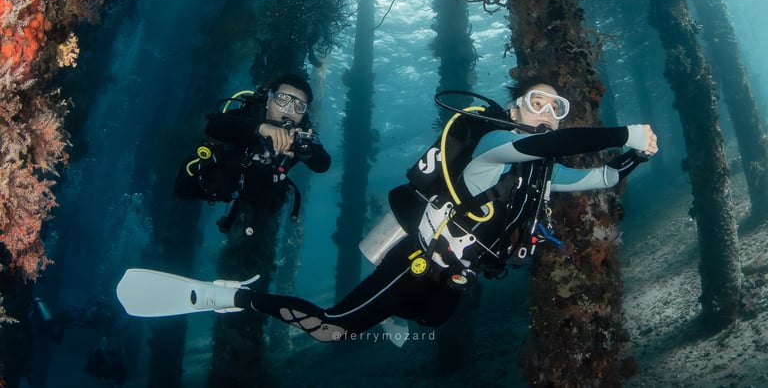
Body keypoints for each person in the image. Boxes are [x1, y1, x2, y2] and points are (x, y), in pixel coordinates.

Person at [221, 75, 658, 340]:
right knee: (333, 329)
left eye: (556, 107)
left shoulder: (539, 172)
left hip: (454, 278)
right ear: (514, 111)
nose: (547, 111)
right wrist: (626, 135)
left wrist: (633, 159)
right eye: (536, 103)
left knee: (432, 320)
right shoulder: (496, 145)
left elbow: (603, 178)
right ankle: (236, 297)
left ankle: (387, 310)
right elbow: (552, 143)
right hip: (415, 260)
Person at [174, 73, 331, 230]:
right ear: (269, 100)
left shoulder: (303, 134)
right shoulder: (250, 113)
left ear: (304, 113)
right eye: (282, 99)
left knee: (270, 204)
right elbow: (214, 125)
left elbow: (323, 163)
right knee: (185, 189)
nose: (290, 109)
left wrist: (305, 151)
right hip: (225, 180)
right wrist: (260, 129)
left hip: (261, 190)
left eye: (299, 106)